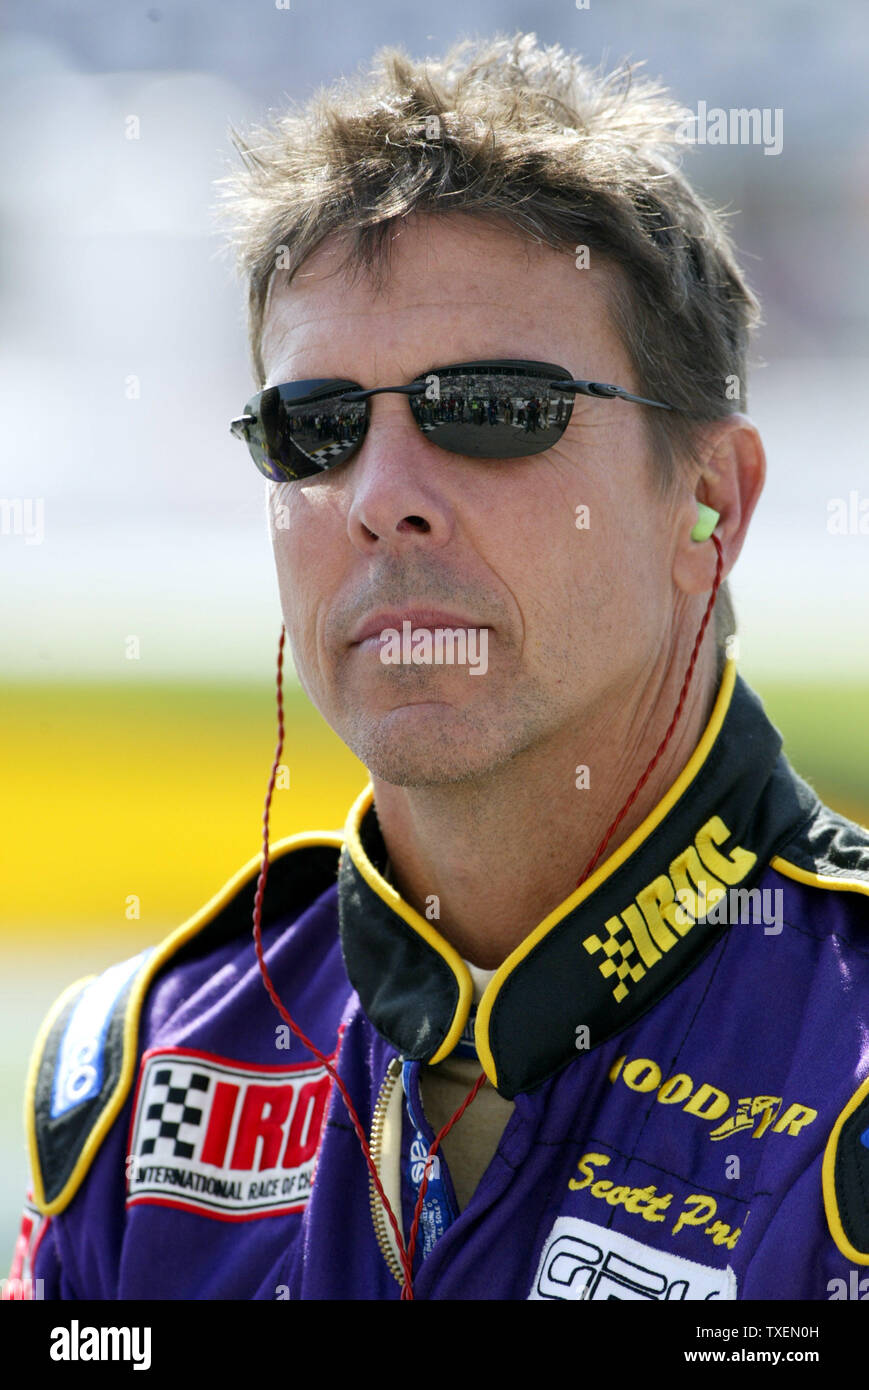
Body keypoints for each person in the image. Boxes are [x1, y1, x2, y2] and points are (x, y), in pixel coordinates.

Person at [10, 32, 869, 1303]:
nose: (380, 499)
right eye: (317, 428)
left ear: (708, 506)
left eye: (495, 409)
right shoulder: (138, 1073)